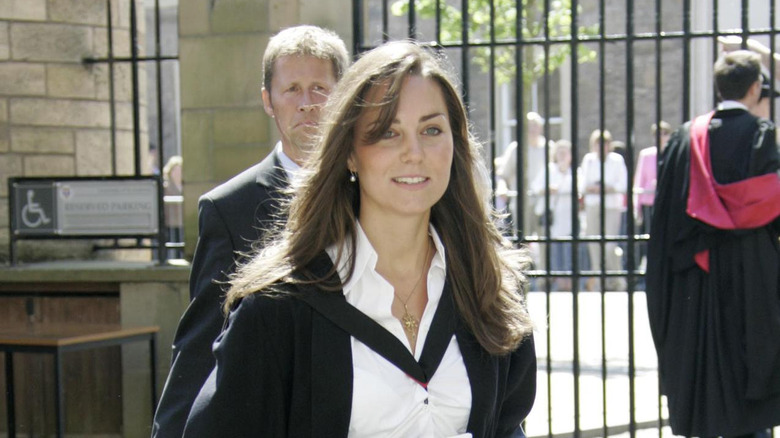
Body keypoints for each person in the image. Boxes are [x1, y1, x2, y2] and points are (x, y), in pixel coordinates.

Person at [182, 41, 537, 437]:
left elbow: (507, 424)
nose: (414, 152)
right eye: (388, 133)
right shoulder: (279, 308)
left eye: (432, 129)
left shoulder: (488, 287)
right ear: (350, 153)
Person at [151, 25, 350, 438]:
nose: (307, 104)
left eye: (319, 88)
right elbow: (203, 344)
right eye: (291, 89)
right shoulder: (230, 209)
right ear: (268, 101)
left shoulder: (377, 193)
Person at [646, 50, 780, 437]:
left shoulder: (685, 139)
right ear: (755, 88)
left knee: (703, 373)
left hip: (695, 278)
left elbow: (666, 217)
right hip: (749, 277)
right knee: (748, 372)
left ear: (718, 87)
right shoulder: (762, 134)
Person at [578, 129, 627, 290]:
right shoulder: (589, 160)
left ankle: (615, 277)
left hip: (611, 205)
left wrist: (608, 188)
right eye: (598, 143)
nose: (601, 147)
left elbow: (623, 184)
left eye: (604, 143)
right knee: (593, 242)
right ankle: (599, 278)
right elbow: (582, 184)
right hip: (593, 205)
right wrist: (592, 188)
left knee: (610, 243)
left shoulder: (617, 160)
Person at [496, 111, 556, 237]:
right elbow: (503, 175)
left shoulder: (549, 148)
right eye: (528, 125)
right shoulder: (515, 148)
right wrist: (502, 188)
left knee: (546, 240)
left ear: (540, 128)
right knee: (523, 239)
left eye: (535, 125)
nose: (532, 129)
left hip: (544, 200)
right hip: (522, 200)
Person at [530, 140, 575, 290]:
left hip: (568, 217)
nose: (562, 155)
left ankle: (568, 279)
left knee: (568, 248)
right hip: (552, 217)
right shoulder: (549, 169)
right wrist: (548, 189)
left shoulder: (573, 172)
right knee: (553, 248)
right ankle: (556, 280)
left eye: (565, 152)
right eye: (559, 152)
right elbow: (536, 187)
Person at [633, 121, 671, 269]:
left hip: (666, 200)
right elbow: (639, 180)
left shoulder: (671, 152)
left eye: (664, 133)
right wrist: (637, 206)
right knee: (649, 236)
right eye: (658, 134)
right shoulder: (647, 155)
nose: (661, 137)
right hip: (649, 201)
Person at [162, 155, 184, 259]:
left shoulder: (185, 187)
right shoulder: (166, 187)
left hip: (183, 223)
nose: (177, 173)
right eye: (175, 170)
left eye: (180, 170)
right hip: (170, 223)